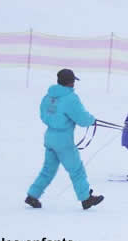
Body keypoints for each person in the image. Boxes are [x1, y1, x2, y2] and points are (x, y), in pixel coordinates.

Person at [25, 68, 104, 210]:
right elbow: (81, 118)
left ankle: (32, 195)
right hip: (64, 141)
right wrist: (91, 120)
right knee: (76, 170)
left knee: (47, 170)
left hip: (50, 137)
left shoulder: (49, 96)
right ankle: (86, 198)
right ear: (71, 82)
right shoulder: (70, 98)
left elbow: (43, 114)